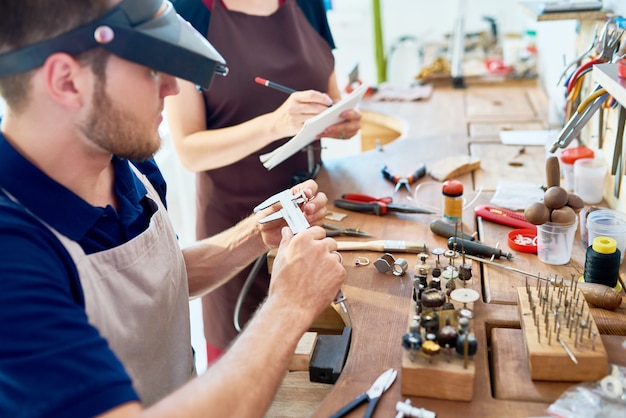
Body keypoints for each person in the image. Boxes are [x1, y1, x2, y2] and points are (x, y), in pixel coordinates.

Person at [0, 0, 345, 416]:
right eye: (150, 67)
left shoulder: (128, 164)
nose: (173, 87)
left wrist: (256, 232)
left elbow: (156, 279)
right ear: (67, 82)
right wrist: (289, 305)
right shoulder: (12, 255)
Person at [166, 0, 361, 364]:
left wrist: (341, 118)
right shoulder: (189, 12)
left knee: (326, 362)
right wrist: (274, 124)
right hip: (236, 235)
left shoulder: (308, 5)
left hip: (315, 213)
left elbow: (331, 91)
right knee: (243, 369)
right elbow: (189, 150)